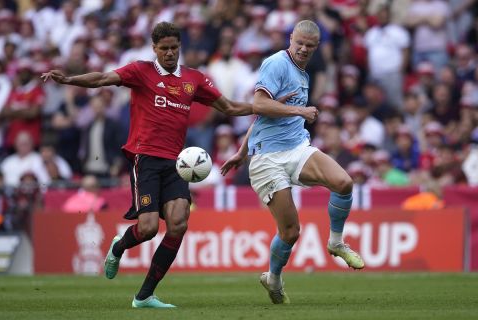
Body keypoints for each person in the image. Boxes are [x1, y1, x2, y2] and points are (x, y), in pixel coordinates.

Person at [41, 22, 255, 309]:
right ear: (154, 49)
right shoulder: (140, 71)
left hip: (177, 162)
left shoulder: (194, 78)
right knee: (149, 228)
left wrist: (268, 108)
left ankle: (144, 296)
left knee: (178, 224)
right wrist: (69, 80)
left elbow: (230, 108)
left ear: (180, 48)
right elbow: (103, 78)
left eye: (174, 48)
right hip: (146, 158)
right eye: (164, 48)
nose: (169, 53)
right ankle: (120, 246)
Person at [221, 20, 365, 305]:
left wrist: (240, 150)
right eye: (299, 42)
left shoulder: (302, 73)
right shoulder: (275, 63)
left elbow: (263, 117)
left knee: (344, 182)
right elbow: (259, 105)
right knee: (290, 232)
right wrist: (299, 110)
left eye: (310, 46)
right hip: (267, 160)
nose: (303, 49)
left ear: (316, 47)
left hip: (297, 147)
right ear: (291, 38)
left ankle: (336, 242)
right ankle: (273, 279)